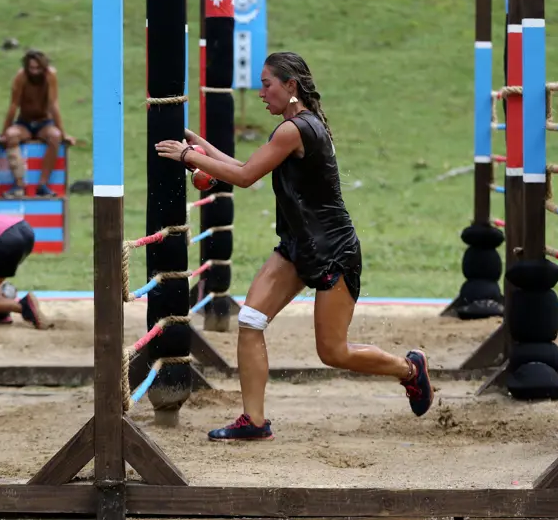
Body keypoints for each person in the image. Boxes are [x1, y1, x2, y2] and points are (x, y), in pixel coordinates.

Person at [155, 51, 434, 442]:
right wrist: (202, 148)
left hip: (333, 252)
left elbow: (245, 176)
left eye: (266, 84)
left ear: (291, 86)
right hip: (297, 246)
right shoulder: (295, 126)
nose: (260, 93)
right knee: (251, 321)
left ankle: (409, 369)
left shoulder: (294, 129)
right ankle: (254, 421)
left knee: (333, 353)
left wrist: (188, 156)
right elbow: (246, 167)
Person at [1, 49, 75, 199]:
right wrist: (4, 131)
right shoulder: (21, 77)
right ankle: (19, 184)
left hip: (44, 122)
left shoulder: (50, 76)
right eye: (31, 68)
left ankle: (42, 184)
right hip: (24, 122)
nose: (34, 72)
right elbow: (13, 105)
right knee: (11, 136)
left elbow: (54, 104)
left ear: (43, 67)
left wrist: (62, 132)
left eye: (37, 68)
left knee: (55, 136)